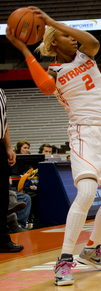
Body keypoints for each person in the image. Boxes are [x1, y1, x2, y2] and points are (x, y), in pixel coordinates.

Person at [6, 7, 101, 285]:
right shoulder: (54, 71)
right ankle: (64, 260)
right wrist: (22, 48)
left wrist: (53, 22)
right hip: (84, 132)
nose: (73, 39)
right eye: (65, 36)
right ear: (53, 43)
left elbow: (94, 42)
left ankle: (92, 250)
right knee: (87, 191)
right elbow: (43, 87)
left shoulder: (86, 55)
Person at [0, 88, 23, 253]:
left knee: (2, 197)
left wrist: (8, 147)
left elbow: (4, 122)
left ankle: (2, 239)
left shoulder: (1, 92)